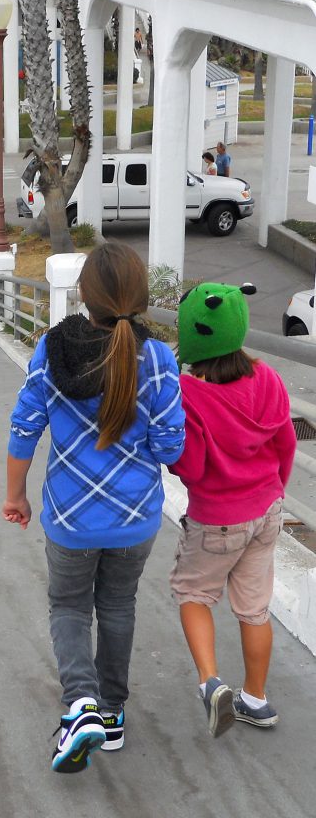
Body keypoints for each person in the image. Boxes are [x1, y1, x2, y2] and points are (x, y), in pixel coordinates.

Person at [3, 243, 185, 774]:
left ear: (85, 294)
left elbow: (24, 427)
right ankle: (110, 716)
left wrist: (15, 495)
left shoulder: (53, 349)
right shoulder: (159, 358)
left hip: (70, 518)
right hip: (136, 519)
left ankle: (79, 704)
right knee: (119, 606)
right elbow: (171, 446)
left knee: (69, 607)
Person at [169, 282, 295, 738]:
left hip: (217, 517)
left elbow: (194, 466)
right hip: (267, 509)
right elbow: (285, 442)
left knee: (193, 594)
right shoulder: (267, 378)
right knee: (254, 608)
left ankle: (211, 684)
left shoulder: (189, 394)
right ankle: (256, 700)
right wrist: (274, 492)